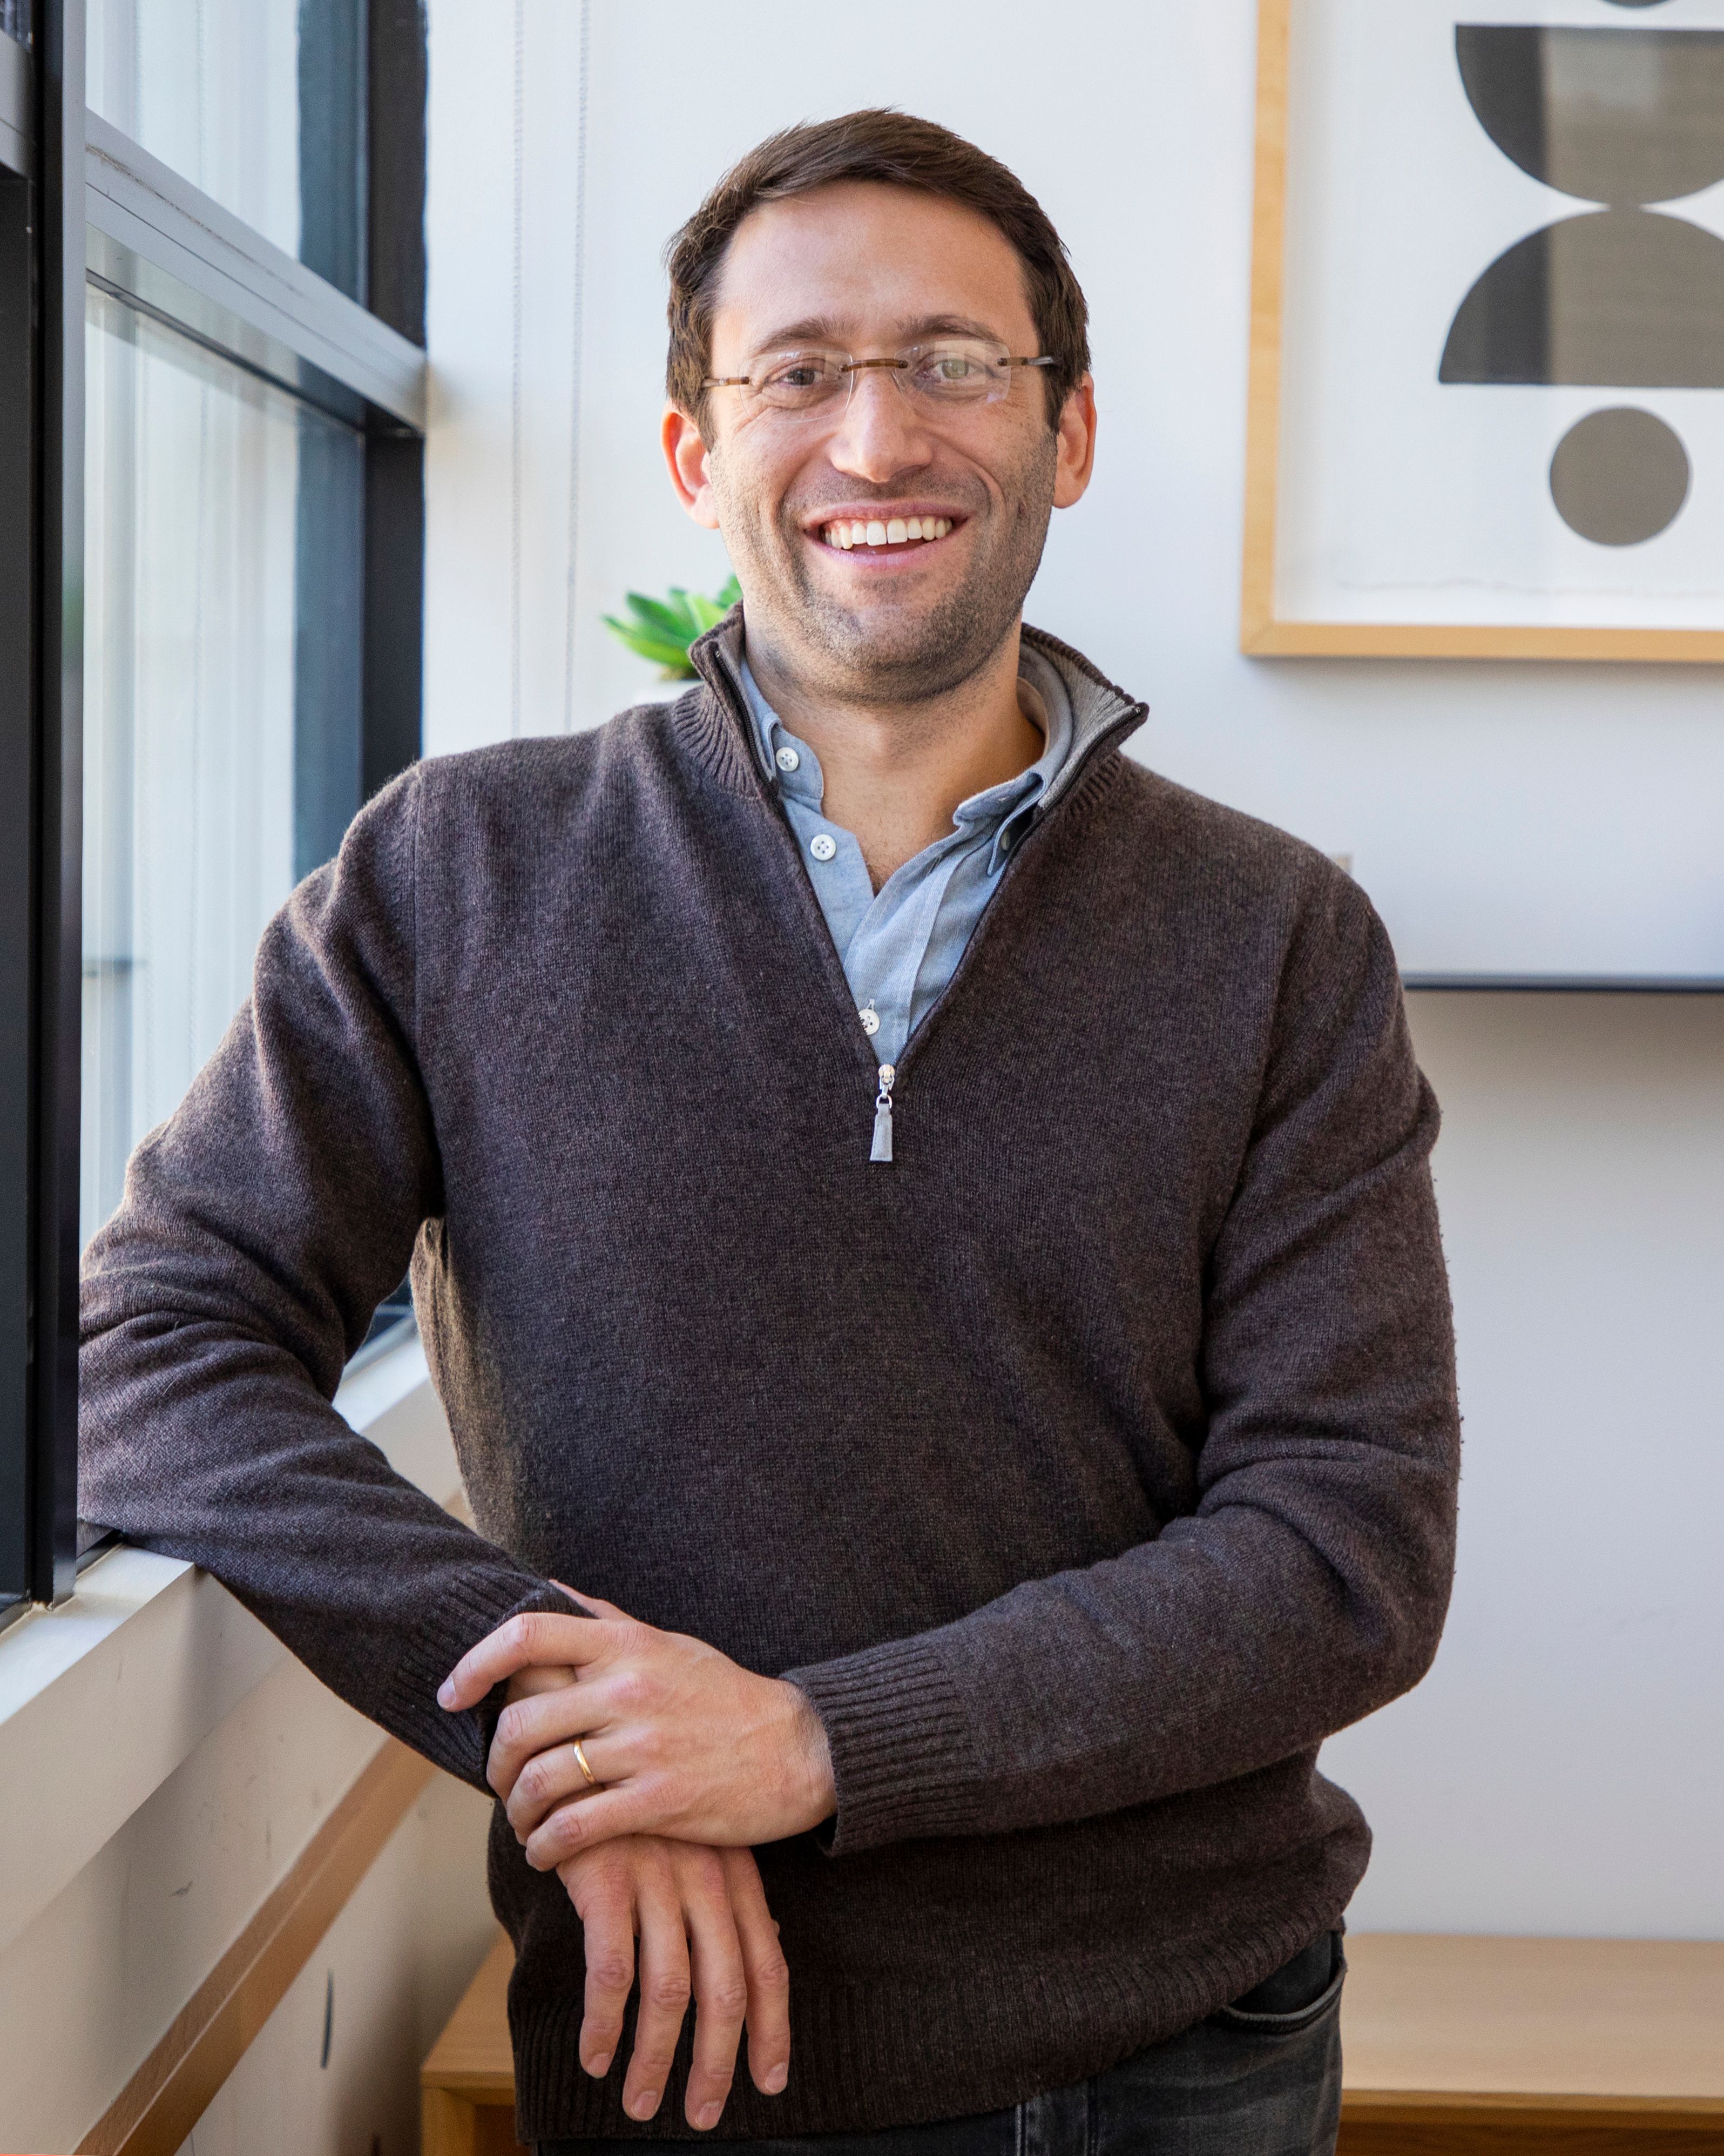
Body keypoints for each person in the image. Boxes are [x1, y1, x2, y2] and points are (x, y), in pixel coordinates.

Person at [80, 110, 1460, 2156]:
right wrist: (592, 1736)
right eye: (797, 373)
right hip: (687, 2038)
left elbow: (1344, 1549)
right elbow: (151, 1353)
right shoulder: (459, 869)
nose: (878, 439)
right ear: (693, 454)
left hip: (1188, 2041)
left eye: (952, 364)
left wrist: (810, 1745)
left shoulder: (1275, 938)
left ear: (1065, 435)